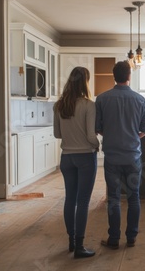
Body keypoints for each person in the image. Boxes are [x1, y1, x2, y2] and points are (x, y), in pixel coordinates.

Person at [96, 61, 145, 249]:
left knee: (114, 198)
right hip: (133, 157)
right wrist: (132, 136)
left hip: (112, 156)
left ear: (114, 76)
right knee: (134, 197)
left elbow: (98, 128)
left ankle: (114, 238)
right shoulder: (140, 100)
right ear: (129, 76)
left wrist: (112, 134)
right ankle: (131, 237)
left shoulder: (102, 99)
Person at [53, 66, 99, 258]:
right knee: (83, 201)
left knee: (70, 198)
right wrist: (98, 144)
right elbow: (90, 136)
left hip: (66, 158)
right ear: (85, 82)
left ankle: (71, 242)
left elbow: (57, 134)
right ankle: (80, 247)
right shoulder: (88, 105)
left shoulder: (59, 105)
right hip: (85, 157)